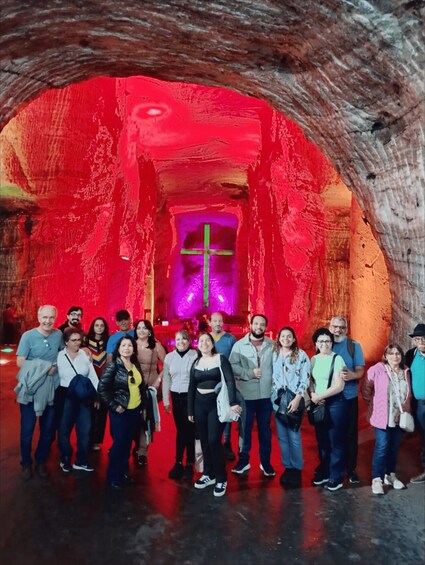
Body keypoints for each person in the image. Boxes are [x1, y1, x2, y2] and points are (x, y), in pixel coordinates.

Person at [188, 333, 241, 497]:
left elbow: (230, 381)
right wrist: (190, 410)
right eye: (201, 341)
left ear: (212, 344)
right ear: (197, 345)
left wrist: (233, 402)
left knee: (213, 440)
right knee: (204, 441)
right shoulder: (196, 363)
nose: (204, 343)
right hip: (199, 405)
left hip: (215, 405)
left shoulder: (220, 359)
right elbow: (191, 387)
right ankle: (208, 474)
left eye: (207, 341)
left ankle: (221, 478)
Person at [15, 305, 63, 480]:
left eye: (51, 317)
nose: (48, 321)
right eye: (45, 317)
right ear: (38, 317)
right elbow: (20, 362)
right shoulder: (28, 336)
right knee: (27, 429)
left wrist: (84, 351)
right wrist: (45, 367)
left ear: (55, 318)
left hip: (51, 388)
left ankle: (41, 460)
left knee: (48, 429)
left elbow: (64, 354)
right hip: (31, 387)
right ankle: (26, 464)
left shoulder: (58, 335)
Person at [98, 335, 148, 489]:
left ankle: (124, 472)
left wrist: (143, 407)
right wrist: (114, 406)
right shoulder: (113, 366)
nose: (127, 348)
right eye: (124, 345)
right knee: (119, 443)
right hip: (120, 411)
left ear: (134, 349)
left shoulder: (135, 365)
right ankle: (113, 476)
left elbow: (141, 387)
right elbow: (102, 389)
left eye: (130, 345)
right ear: (118, 349)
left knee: (127, 443)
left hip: (135, 409)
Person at [362, 344, 412, 495]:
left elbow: (409, 394)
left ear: (401, 356)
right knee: (382, 446)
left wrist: (405, 409)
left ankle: (390, 475)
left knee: (394, 447)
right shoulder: (377, 369)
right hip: (383, 415)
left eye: (397, 353)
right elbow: (366, 389)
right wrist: (375, 405)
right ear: (385, 356)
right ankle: (377, 478)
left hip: (400, 416)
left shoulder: (406, 371)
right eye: (391, 354)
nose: (395, 356)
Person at [229, 314, 275, 477]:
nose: (259, 327)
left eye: (262, 324)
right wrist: (249, 373)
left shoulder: (272, 345)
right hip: (246, 395)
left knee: (265, 430)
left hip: (266, 396)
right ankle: (243, 461)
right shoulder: (239, 345)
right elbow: (232, 366)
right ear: (251, 324)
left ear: (266, 327)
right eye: (256, 323)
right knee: (244, 429)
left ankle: (266, 462)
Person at [272, 326, 310, 488]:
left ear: (294, 339)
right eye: (283, 336)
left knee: (294, 436)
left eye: (289, 336)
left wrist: (297, 398)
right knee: (282, 436)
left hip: (294, 400)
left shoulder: (301, 355)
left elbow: (305, 378)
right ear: (278, 338)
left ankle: (296, 468)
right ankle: (287, 466)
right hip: (277, 401)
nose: (286, 339)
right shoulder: (274, 354)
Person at [309, 327, 346, 492]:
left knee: (335, 441)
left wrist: (320, 396)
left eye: (328, 341)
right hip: (318, 402)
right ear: (316, 344)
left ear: (332, 343)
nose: (324, 344)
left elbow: (339, 385)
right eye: (321, 341)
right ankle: (324, 471)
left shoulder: (337, 359)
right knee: (322, 440)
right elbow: (310, 381)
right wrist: (312, 394)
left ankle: (336, 476)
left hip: (334, 403)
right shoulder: (313, 359)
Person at [329, 316, 365, 484]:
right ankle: (332, 467)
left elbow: (360, 370)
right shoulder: (325, 343)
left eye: (342, 327)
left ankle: (350, 469)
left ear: (346, 329)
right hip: (330, 396)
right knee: (332, 433)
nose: (338, 330)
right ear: (330, 327)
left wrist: (352, 375)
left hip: (348, 396)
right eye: (335, 327)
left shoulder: (354, 346)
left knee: (350, 434)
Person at [57, 328, 98, 472]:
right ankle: (65, 457)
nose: (77, 343)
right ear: (66, 342)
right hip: (65, 396)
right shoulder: (59, 356)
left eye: (79, 340)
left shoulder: (85, 355)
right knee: (64, 429)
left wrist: (97, 395)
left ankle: (82, 460)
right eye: (73, 340)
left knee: (85, 429)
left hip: (83, 397)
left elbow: (92, 376)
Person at [162, 330, 198, 481]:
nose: (181, 342)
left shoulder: (195, 355)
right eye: (178, 339)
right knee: (181, 430)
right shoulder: (169, 357)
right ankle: (178, 462)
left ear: (189, 341)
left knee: (189, 431)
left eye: (184, 339)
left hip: (190, 397)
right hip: (176, 397)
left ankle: (189, 463)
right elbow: (166, 379)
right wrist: (166, 400)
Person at [133, 319, 167, 465]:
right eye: (138, 328)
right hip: (134, 387)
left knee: (147, 418)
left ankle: (143, 451)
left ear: (149, 331)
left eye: (144, 328)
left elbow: (168, 364)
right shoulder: (130, 344)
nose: (141, 331)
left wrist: (159, 379)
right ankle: (137, 444)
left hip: (151, 387)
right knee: (134, 419)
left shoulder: (156, 346)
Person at [209, 312, 237, 460]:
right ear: (210, 323)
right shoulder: (206, 339)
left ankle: (227, 443)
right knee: (212, 412)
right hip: (210, 381)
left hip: (226, 381)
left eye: (220, 321)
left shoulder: (230, 339)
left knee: (226, 411)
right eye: (215, 321)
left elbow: (235, 360)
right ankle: (214, 443)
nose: (218, 323)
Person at [84, 317, 110, 451]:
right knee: (89, 412)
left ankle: (96, 440)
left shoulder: (109, 342)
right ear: (92, 327)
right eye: (96, 325)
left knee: (102, 413)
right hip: (89, 380)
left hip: (105, 381)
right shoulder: (85, 342)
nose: (99, 328)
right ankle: (86, 439)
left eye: (102, 325)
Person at [404, 323, 425, 484]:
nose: (421, 342)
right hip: (419, 405)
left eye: (424, 338)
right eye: (418, 339)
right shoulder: (411, 355)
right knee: (423, 437)